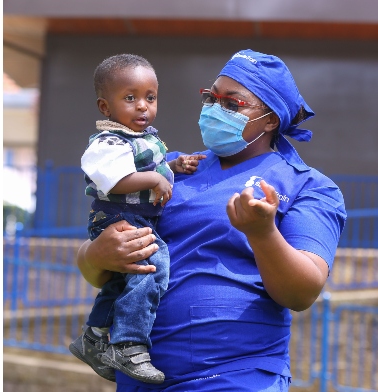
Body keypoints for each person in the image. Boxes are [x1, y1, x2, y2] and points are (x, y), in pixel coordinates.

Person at [76, 49, 347, 391]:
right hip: (143, 376)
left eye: (232, 104)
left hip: (234, 376)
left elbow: (301, 293)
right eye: (211, 97)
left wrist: (262, 233)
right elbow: (97, 262)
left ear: (270, 119)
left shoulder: (308, 186)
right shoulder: (171, 168)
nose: (216, 109)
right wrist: (94, 255)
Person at [69, 54, 204, 384]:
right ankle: (129, 344)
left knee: (121, 281)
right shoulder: (107, 142)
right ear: (106, 107)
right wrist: (155, 180)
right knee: (153, 266)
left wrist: (172, 167)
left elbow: (150, 168)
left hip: (137, 218)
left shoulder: (146, 139)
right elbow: (116, 180)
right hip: (118, 217)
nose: (142, 106)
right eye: (130, 98)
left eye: (150, 97)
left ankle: (94, 336)